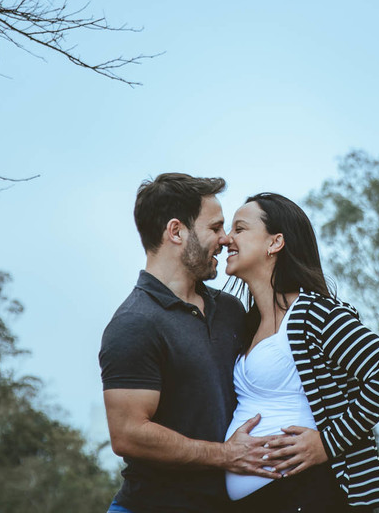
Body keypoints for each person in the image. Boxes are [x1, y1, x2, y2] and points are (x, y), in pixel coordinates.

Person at [221, 192, 379, 512]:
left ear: (275, 242)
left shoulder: (313, 313)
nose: (227, 239)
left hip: (307, 493)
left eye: (240, 229)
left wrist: (328, 443)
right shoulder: (249, 322)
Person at [100, 173, 280, 513]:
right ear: (176, 231)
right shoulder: (134, 323)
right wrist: (225, 455)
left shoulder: (229, 310)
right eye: (215, 228)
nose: (226, 239)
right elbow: (128, 433)